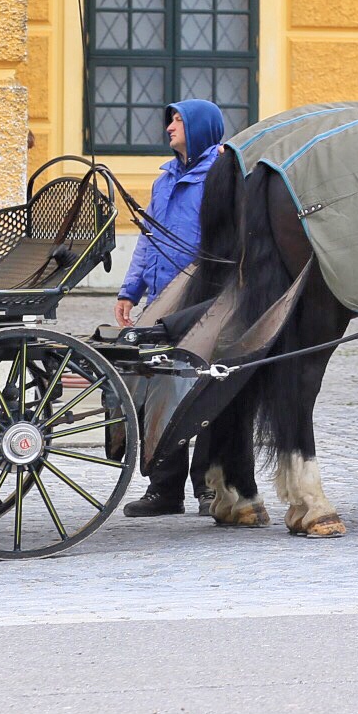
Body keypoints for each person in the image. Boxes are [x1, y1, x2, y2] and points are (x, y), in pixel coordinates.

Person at [119, 99, 228, 518]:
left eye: (179, 120)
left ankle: (207, 488)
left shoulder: (219, 176)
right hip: (160, 302)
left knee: (200, 394)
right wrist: (130, 289)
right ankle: (164, 490)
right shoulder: (164, 180)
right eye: (171, 120)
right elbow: (148, 238)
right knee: (159, 393)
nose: (170, 127)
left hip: (202, 302)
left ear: (200, 127)